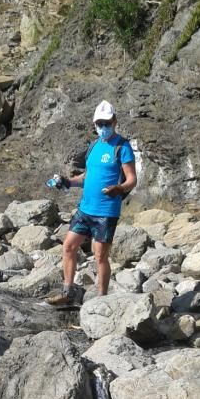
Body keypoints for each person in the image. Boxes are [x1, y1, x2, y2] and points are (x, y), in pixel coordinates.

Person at [47, 100, 137, 306]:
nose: (103, 128)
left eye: (106, 123)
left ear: (114, 122)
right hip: (85, 209)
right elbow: (87, 177)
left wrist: (120, 188)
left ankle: (101, 301)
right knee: (69, 246)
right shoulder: (94, 146)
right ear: (94, 124)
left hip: (106, 212)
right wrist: (68, 182)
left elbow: (132, 179)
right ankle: (68, 293)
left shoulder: (122, 147)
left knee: (99, 256)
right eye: (99, 124)